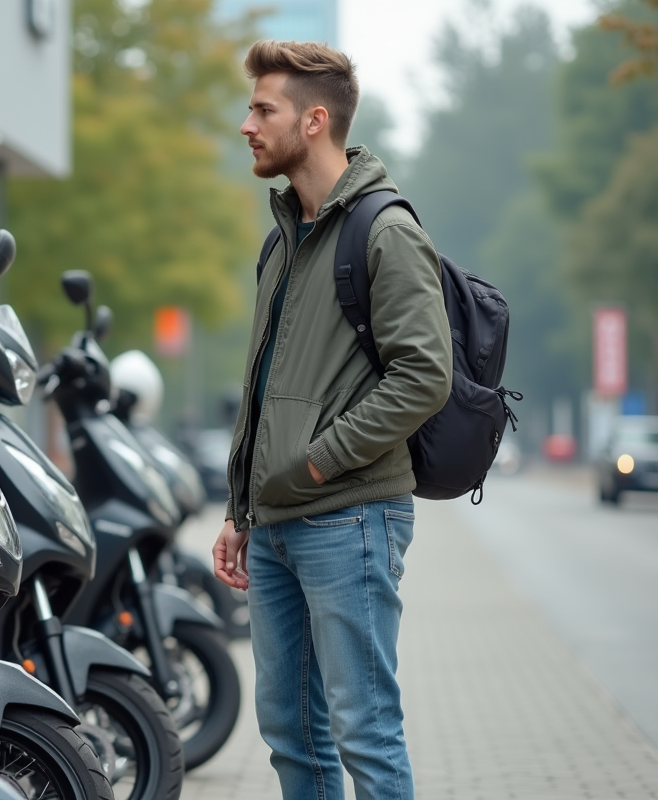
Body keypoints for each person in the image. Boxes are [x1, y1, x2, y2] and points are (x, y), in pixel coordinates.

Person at [212, 40, 452, 800]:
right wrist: (238, 506)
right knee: (291, 733)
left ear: (314, 121)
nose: (246, 125)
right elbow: (263, 386)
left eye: (262, 109)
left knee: (364, 732)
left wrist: (317, 462)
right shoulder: (283, 240)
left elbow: (424, 376)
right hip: (277, 522)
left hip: (347, 519)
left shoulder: (384, 231)